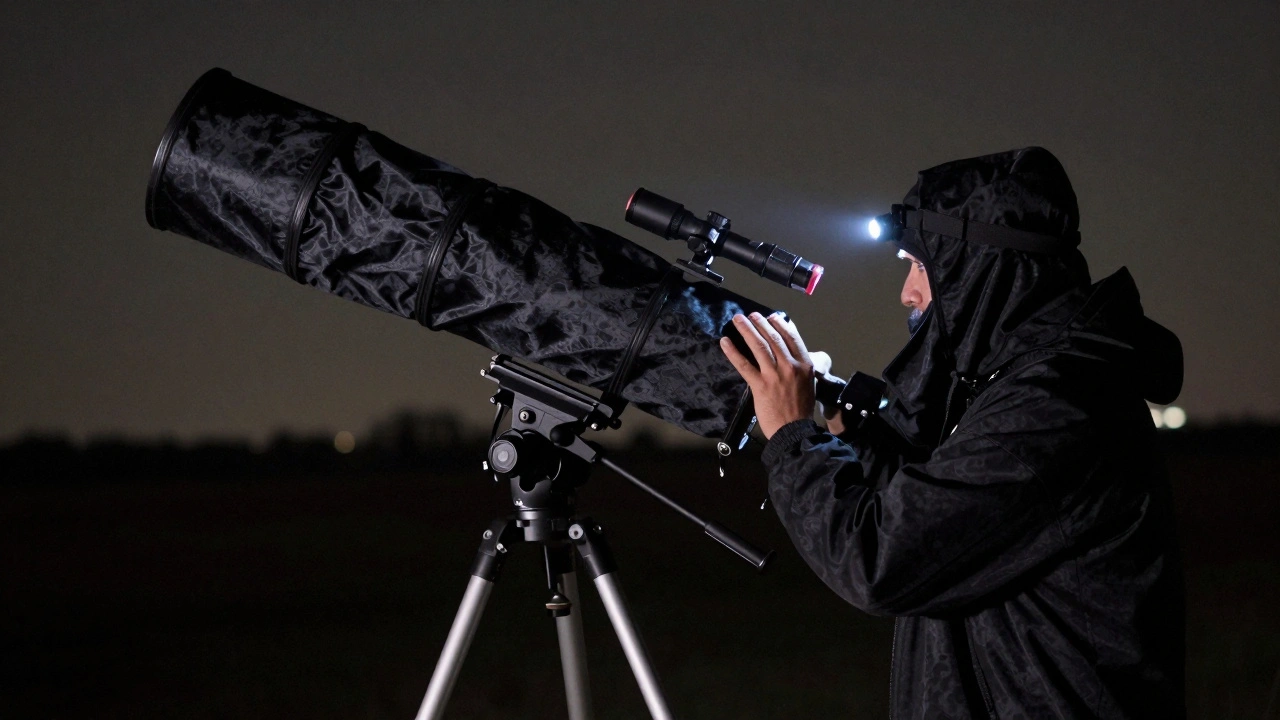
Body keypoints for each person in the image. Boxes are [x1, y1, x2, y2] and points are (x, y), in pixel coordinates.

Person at [720, 147, 1185, 719]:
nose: (908, 293)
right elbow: (935, 506)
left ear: (981, 268)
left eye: (920, 266)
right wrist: (844, 417)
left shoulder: (1053, 407)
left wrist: (793, 436)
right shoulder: (1021, 385)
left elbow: (880, 561)